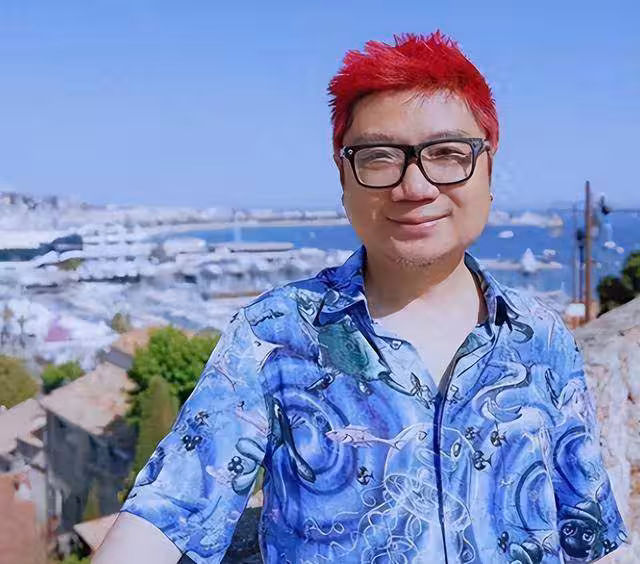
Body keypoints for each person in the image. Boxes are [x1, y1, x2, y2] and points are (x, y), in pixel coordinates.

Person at [93, 31, 627, 564]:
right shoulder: (276, 334)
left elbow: (588, 529)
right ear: (343, 175)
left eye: (447, 154)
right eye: (378, 157)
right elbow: (168, 512)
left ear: (488, 166)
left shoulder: (539, 335)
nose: (415, 187)